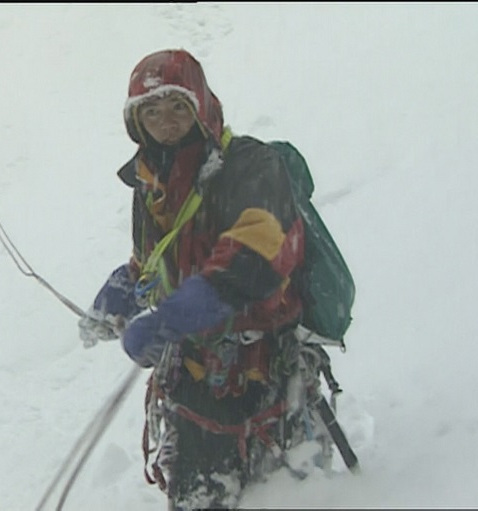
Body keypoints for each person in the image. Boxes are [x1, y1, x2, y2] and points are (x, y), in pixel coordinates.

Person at [78, 49, 331, 510]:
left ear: (201, 105)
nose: (165, 121)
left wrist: (186, 307)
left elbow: (259, 249)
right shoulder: (150, 183)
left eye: (178, 106)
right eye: (150, 111)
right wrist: (128, 287)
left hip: (268, 372)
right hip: (195, 378)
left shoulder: (252, 166)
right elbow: (155, 258)